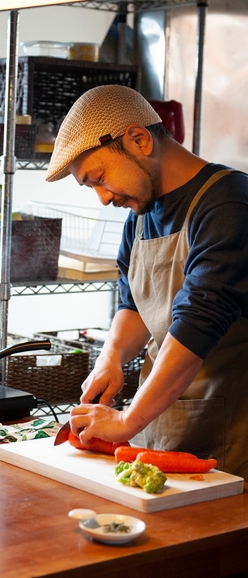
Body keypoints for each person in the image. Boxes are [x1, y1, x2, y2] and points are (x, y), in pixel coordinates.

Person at [45, 84, 248, 479]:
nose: (102, 199)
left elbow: (198, 324)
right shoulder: (140, 216)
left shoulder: (229, 205)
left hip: (232, 435)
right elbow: (134, 304)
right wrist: (112, 357)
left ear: (139, 139)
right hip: (159, 429)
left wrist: (125, 422)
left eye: (99, 178)